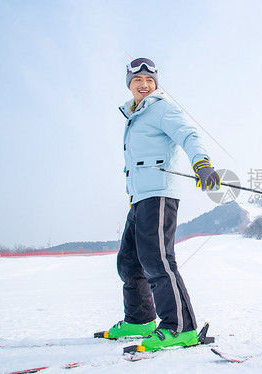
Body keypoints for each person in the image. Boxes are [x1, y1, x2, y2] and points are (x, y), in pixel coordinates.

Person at [99, 57, 220, 351]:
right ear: (129, 83)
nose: (144, 85)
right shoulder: (136, 115)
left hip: (159, 194)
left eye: (150, 81)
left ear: (156, 85)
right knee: (129, 261)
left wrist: (202, 163)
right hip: (139, 198)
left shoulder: (162, 108)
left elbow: (188, 135)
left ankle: (180, 327)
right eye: (138, 80)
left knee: (157, 260)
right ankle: (140, 320)